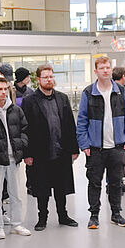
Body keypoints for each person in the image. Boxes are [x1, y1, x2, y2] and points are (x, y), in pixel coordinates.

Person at [76, 56, 125, 229]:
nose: (105, 70)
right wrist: (84, 144)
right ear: (96, 71)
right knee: (94, 183)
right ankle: (94, 215)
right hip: (95, 149)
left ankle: (116, 214)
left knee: (116, 182)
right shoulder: (88, 93)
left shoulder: (121, 91)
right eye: (102, 68)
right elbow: (82, 120)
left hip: (117, 147)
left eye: (108, 67)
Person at [21, 64, 80, 231]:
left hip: (61, 150)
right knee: (42, 187)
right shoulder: (29, 101)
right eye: (45, 77)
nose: (49, 80)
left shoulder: (62, 98)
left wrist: (74, 149)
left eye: (51, 76)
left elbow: (70, 124)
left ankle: (63, 215)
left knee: (61, 186)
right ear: (38, 79)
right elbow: (25, 129)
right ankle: (42, 218)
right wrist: (27, 153)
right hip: (40, 152)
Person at [0, 76, 30, 239]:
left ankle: (17, 224)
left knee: (15, 193)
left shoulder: (15, 110)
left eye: (5, 89)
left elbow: (24, 129)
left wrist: (21, 144)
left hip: (13, 158)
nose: (3, 92)